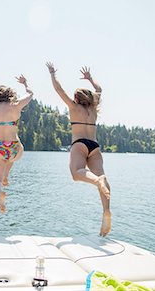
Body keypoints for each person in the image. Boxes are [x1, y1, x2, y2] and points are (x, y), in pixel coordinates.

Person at [46, 62, 112, 236]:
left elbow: (59, 90)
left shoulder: (73, 107)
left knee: (77, 173)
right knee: (101, 176)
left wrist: (53, 73)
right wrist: (90, 79)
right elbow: (99, 89)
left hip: (80, 144)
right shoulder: (93, 107)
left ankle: (98, 181)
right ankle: (106, 210)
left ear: (76, 99)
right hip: (95, 146)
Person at [0, 75, 34, 214]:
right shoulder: (16, 105)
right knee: (11, 158)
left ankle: (0, 194)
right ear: (10, 95)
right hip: (15, 147)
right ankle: (6, 175)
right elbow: (30, 94)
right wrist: (25, 83)